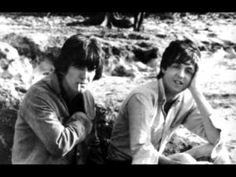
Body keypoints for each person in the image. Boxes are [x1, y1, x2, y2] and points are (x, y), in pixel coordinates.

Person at [107, 39, 221, 164]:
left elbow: (216, 139)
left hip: (154, 161)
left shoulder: (186, 100)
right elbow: (141, 151)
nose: (181, 75)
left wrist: (196, 91)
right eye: (176, 66)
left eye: (188, 71)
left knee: (218, 152)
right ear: (163, 68)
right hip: (127, 161)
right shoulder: (142, 98)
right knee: (186, 161)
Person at [12, 34, 103, 164]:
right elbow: (59, 144)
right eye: (79, 67)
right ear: (65, 66)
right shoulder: (38, 95)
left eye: (91, 69)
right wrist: (82, 121)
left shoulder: (87, 97)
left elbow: (93, 144)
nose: (85, 75)